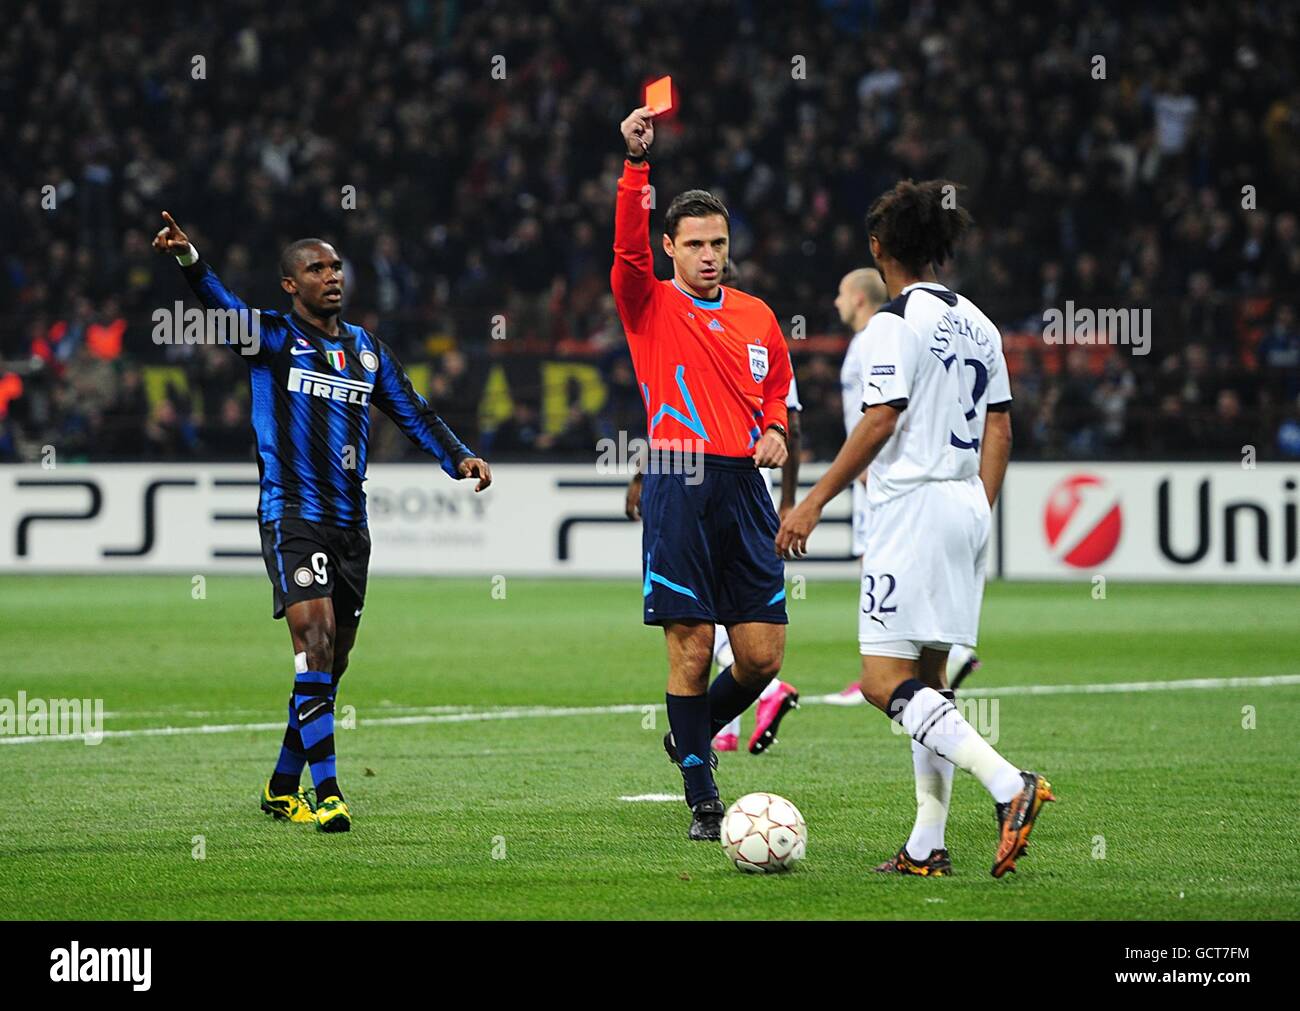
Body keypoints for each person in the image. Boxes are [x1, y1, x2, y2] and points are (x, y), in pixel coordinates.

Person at [153, 212, 491, 833]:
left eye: (335, 267)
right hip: (292, 515)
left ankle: (281, 786)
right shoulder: (273, 339)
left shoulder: (367, 349)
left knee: (329, 666)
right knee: (314, 643)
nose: (331, 276)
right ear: (289, 284)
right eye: (316, 268)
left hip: (349, 527)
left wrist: (458, 456)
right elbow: (222, 308)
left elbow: (414, 412)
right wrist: (189, 262)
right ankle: (327, 792)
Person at [776, 181, 1053, 878]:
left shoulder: (891, 325)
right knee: (930, 682)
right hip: (964, 506)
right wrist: (980, 503)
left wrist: (813, 501)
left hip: (913, 508)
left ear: (878, 248)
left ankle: (1008, 782)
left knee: (880, 681)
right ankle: (928, 846)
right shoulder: (981, 323)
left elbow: (881, 416)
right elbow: (1001, 424)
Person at [612, 106, 793, 840]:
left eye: (718, 242)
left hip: (744, 487)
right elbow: (625, 251)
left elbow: (776, 385)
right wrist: (635, 167)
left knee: (760, 654)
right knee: (690, 641)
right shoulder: (647, 300)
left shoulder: (758, 315)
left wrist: (776, 426)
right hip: (680, 480)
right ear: (670, 248)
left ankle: (686, 736)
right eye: (694, 244)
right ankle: (701, 792)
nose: (709, 254)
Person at [821, 268, 982, 707]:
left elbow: (875, 415)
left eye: (840, 293)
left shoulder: (875, 337)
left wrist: (863, 475)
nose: (835, 302)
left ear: (857, 298)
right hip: (914, 477)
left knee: (878, 564)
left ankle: (884, 670)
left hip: (883, 475)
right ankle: (919, 664)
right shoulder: (951, 324)